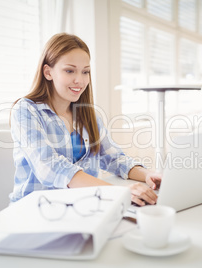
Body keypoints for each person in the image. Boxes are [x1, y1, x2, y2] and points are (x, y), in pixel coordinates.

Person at [9, 33, 161, 206]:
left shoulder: (88, 115)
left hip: (82, 206)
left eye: (85, 72)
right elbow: (49, 167)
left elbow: (113, 158)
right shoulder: (26, 110)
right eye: (69, 70)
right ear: (48, 72)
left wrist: (148, 174)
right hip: (35, 211)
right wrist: (118, 192)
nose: (79, 80)